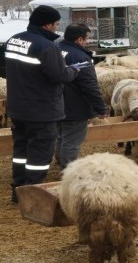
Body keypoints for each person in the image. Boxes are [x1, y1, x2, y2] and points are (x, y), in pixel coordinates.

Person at [5, 5, 81, 204]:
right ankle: (33, 196)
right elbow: (58, 75)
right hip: (42, 110)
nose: (57, 28)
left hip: (18, 108)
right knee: (39, 156)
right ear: (47, 24)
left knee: (21, 152)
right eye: (56, 24)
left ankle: (18, 192)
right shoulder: (47, 47)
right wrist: (73, 70)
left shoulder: (13, 40)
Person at [56, 24, 109, 170]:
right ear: (79, 39)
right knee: (71, 142)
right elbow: (89, 86)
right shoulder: (80, 57)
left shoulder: (56, 50)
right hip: (75, 107)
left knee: (61, 137)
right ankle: (68, 172)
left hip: (56, 104)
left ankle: (61, 163)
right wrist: (101, 108)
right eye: (86, 39)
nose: (86, 42)